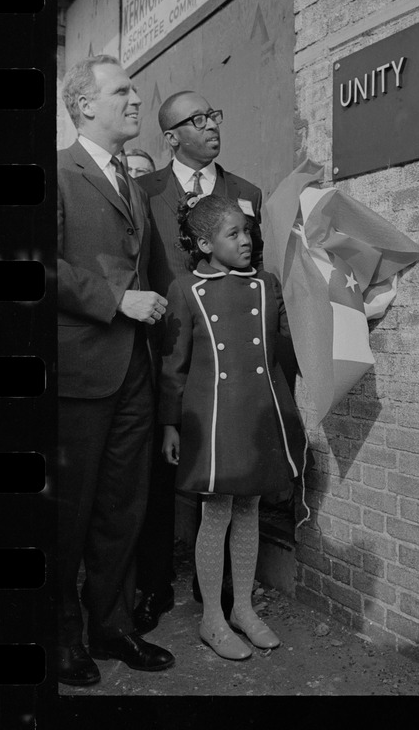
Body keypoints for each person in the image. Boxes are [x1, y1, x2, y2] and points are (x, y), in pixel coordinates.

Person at [57, 54, 174, 686]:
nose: (135, 100)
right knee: (68, 514)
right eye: (122, 91)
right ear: (85, 106)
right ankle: (59, 638)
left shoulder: (132, 182)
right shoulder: (55, 172)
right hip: (79, 372)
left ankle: (111, 626)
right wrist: (112, 300)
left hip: (136, 370)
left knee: (122, 507)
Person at [132, 90, 263, 634]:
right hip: (163, 352)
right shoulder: (142, 192)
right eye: (198, 119)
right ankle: (154, 585)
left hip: (230, 366)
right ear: (171, 136)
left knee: (234, 478)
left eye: (216, 115)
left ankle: (232, 598)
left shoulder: (246, 193)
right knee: (160, 477)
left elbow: (254, 282)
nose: (212, 125)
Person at [158, 194, 306, 659]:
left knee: (250, 510)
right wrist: (170, 425)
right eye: (233, 233)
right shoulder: (185, 289)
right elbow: (172, 368)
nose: (246, 240)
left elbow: (288, 344)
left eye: (248, 231)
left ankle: (243, 608)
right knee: (216, 513)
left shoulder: (266, 284)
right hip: (216, 418)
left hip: (258, 412)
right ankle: (211, 619)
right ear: (204, 243)